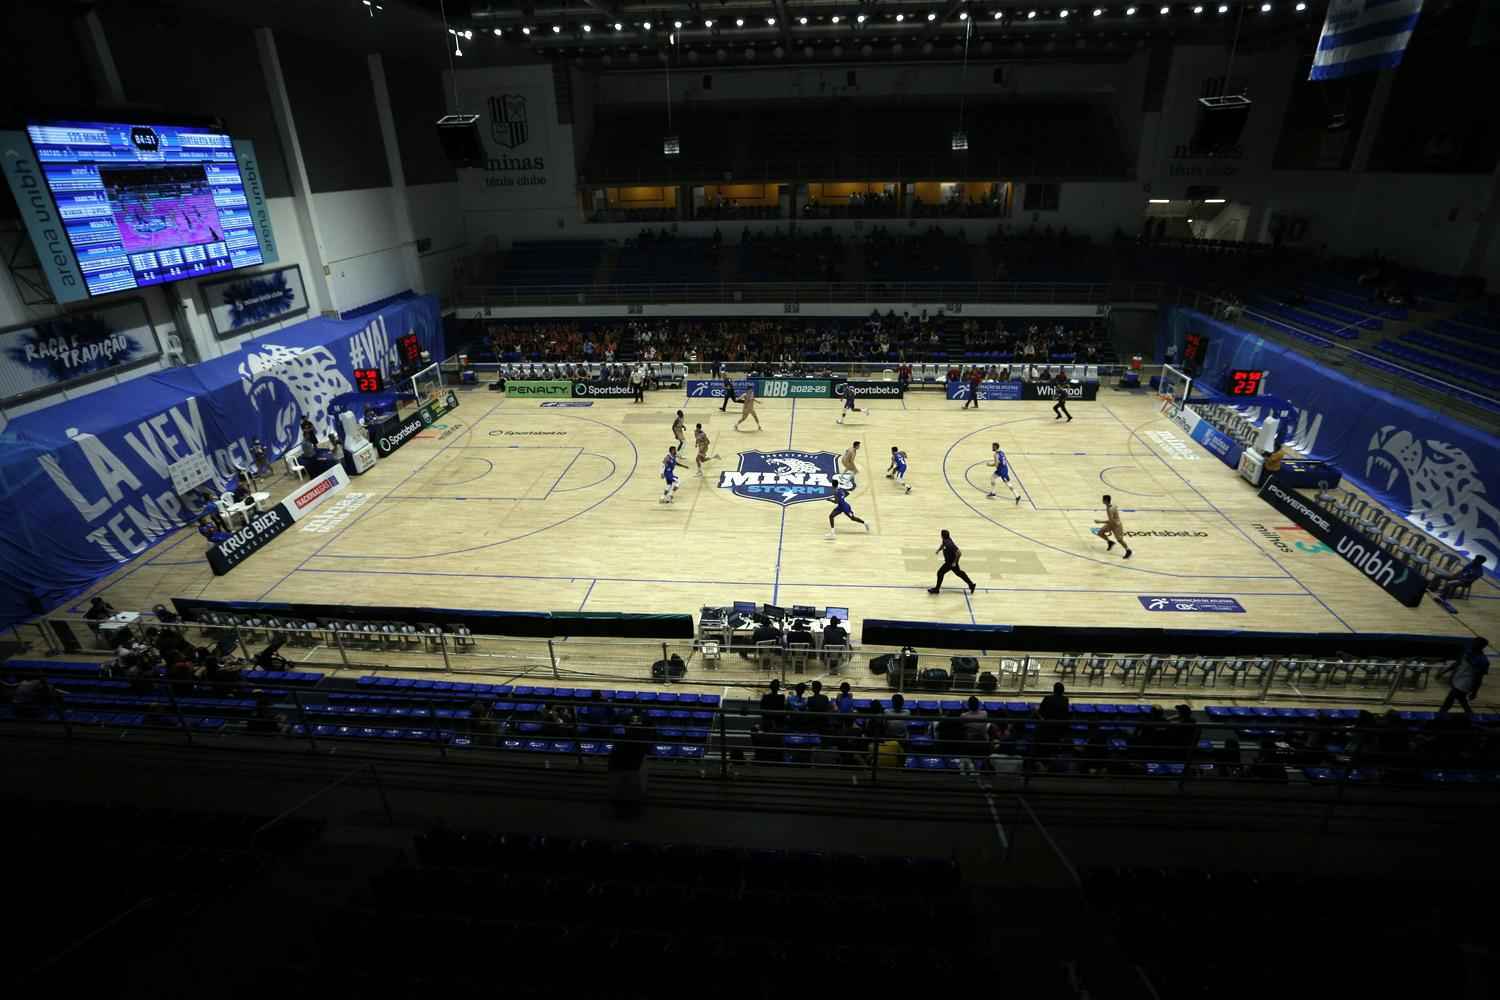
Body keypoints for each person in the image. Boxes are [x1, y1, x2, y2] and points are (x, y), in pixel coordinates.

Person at [1439, 638, 1490, 716]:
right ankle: (1470, 714)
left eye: (1476, 644)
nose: (1473, 645)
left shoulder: (1483, 660)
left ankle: (1440, 715)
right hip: (1457, 679)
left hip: (1466, 683)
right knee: (1461, 699)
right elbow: (1457, 663)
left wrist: (1474, 692)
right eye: (1474, 643)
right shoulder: (1467, 651)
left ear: (1482, 646)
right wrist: (1444, 672)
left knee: (1450, 698)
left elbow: (1479, 678)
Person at [929, 528, 976, 594]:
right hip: (950, 562)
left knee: (940, 573)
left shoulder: (949, 544)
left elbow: (959, 553)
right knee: (959, 573)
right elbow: (943, 544)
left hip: (950, 562)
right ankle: (971, 585)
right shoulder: (945, 540)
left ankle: (937, 589)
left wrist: (954, 562)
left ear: (942, 536)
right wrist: (939, 550)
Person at [1095, 494, 1133, 558]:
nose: (1102, 501)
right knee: (1100, 533)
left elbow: (1111, 521)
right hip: (1112, 524)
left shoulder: (1109, 509)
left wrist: (1099, 522)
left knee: (1120, 540)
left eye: (1103, 499)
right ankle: (1110, 542)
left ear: (1106, 500)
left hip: (1116, 525)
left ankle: (1128, 550)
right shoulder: (1113, 505)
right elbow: (1116, 508)